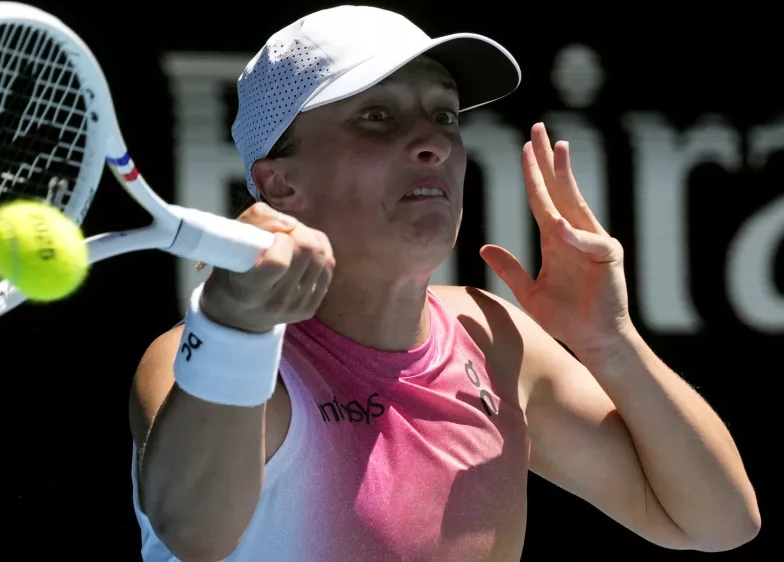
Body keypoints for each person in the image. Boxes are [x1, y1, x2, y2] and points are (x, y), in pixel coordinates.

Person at [128, 6, 761, 561]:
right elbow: (194, 534)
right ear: (279, 183)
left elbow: (716, 523)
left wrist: (611, 342)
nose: (432, 139)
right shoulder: (205, 360)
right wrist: (235, 325)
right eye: (377, 116)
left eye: (446, 116)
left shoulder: (493, 340)